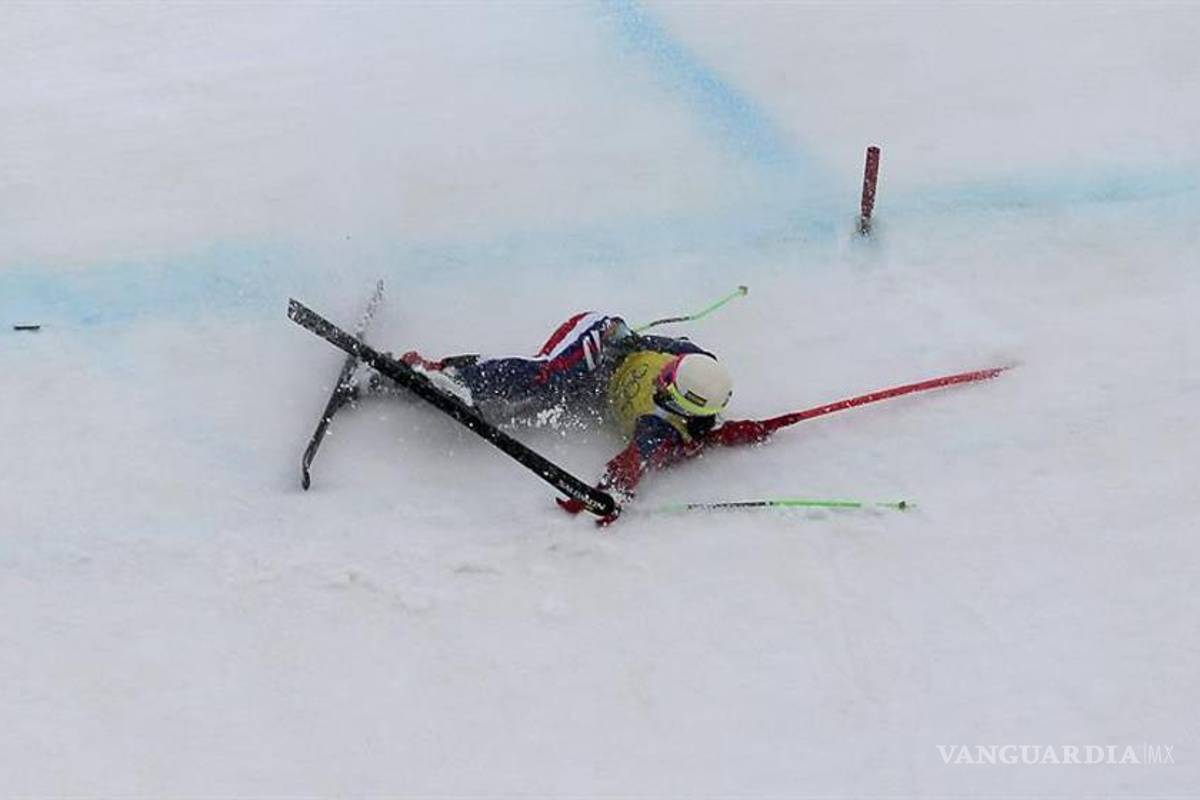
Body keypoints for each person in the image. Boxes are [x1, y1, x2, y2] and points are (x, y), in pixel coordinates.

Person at [373, 311, 773, 524]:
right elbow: (636, 340)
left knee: (525, 405)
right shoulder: (693, 358)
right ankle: (436, 371)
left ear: (683, 407)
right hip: (599, 343)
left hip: (589, 394)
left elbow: (632, 463)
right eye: (669, 372)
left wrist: (607, 494)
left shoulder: (661, 429)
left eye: (667, 385)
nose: (661, 380)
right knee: (547, 374)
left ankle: (393, 385)